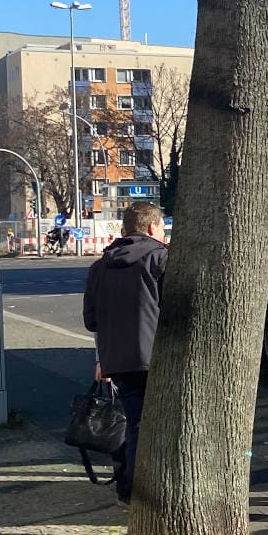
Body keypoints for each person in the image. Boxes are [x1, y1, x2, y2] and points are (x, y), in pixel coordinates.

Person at [82, 201, 168, 508]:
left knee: (133, 422)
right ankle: (135, 491)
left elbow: (91, 320)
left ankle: (128, 487)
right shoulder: (160, 258)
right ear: (151, 227)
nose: (164, 234)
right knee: (146, 427)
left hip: (117, 360)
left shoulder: (99, 266)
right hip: (154, 356)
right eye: (162, 228)